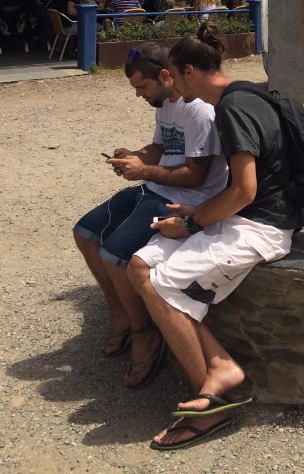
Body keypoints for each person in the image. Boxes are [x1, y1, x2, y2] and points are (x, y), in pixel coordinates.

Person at [127, 22, 300, 451]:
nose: (172, 86)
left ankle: (210, 404)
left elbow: (245, 192)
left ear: (188, 71)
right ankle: (221, 366)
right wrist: (195, 214)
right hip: (239, 215)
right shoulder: (241, 94)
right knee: (141, 266)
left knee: (163, 285)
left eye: (173, 75)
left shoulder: (232, 109)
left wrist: (191, 223)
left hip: (261, 225)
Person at [73, 43, 229, 388]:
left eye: (142, 86)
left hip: (185, 199)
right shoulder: (164, 103)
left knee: (115, 254)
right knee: (85, 232)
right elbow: (160, 148)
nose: (139, 94)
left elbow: (196, 176)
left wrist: (142, 171)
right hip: (158, 188)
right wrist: (135, 156)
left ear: (165, 76)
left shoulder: (197, 111)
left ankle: (145, 331)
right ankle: (121, 314)